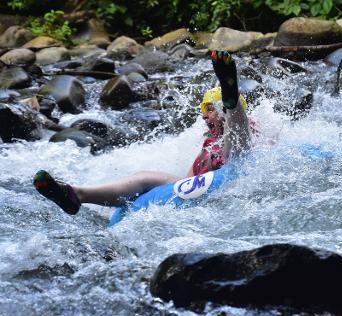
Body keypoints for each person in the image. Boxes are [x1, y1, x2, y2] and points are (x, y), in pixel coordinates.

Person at [33, 50, 252, 215]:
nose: (204, 116)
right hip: (204, 186)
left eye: (210, 109)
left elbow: (243, 142)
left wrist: (231, 108)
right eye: (203, 111)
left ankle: (230, 98)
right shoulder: (208, 145)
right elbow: (188, 180)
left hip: (235, 171)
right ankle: (76, 195)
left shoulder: (252, 130)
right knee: (144, 177)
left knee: (234, 143)